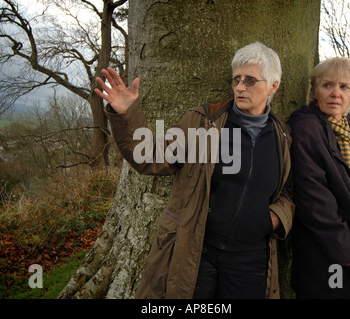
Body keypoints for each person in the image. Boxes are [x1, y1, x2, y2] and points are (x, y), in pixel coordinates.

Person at [94, 42, 294, 299]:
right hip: (199, 253)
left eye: (250, 80)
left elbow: (288, 192)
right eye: (236, 80)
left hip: (251, 258)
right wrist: (127, 114)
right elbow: (150, 157)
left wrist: (275, 218)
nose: (240, 87)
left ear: (273, 86)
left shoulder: (283, 137)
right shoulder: (203, 123)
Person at [288, 57, 350, 298]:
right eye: (327, 85)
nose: (335, 94)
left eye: (344, 87)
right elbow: (313, 199)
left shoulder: (347, 134)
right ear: (315, 91)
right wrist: (349, 254)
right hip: (329, 254)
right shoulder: (307, 129)